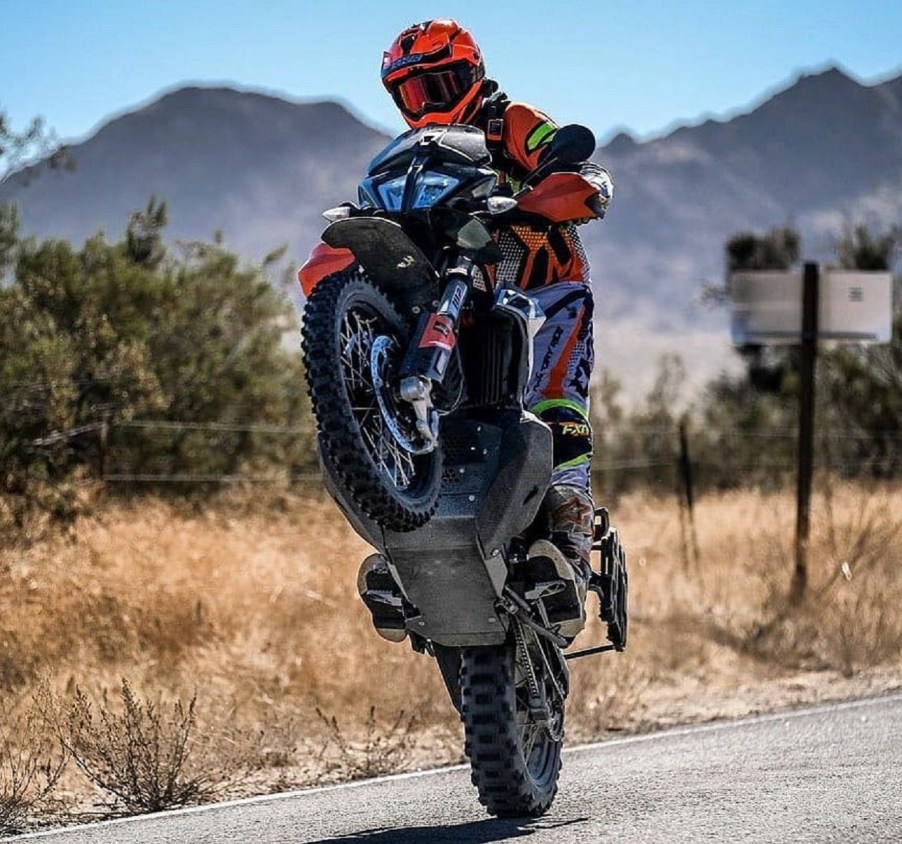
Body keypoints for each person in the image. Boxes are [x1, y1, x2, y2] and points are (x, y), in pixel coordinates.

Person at [360, 18, 613, 642]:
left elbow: (571, 158)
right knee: (411, 415)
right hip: (456, 309)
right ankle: (405, 547)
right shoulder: (409, 157)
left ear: (473, 74)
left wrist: (548, 185)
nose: (429, 103)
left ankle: (569, 540)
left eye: (441, 84)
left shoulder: (511, 122)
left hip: (541, 289)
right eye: (413, 93)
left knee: (553, 403)